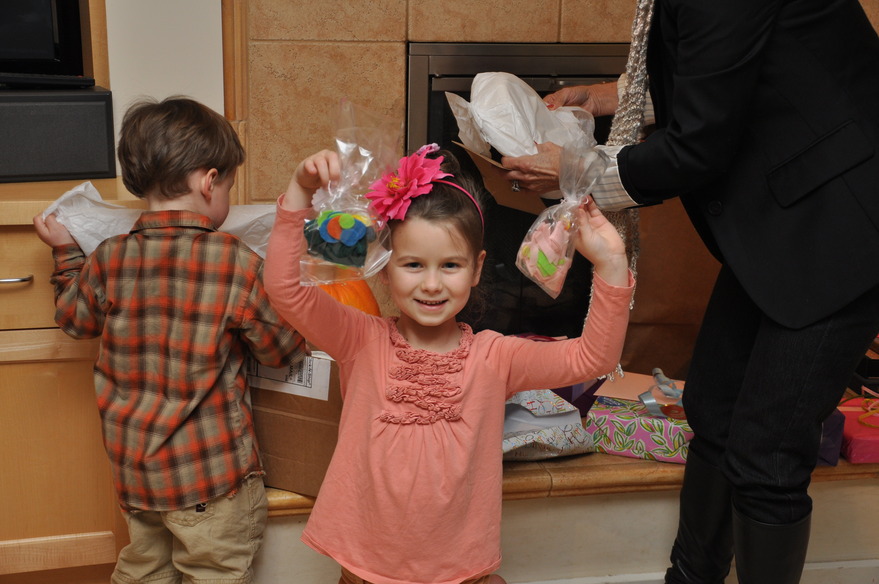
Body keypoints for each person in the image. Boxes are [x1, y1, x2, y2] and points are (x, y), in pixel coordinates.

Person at [501, 1, 879, 583]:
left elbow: (700, 143)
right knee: (714, 411)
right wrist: (608, 96)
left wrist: (578, 169)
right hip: (784, 222)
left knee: (769, 451)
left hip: (840, 224)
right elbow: (722, 67)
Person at [263, 144, 634, 584]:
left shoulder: (496, 356)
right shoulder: (360, 340)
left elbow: (594, 357)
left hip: (460, 571)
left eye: (450, 265)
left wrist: (612, 262)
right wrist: (300, 192)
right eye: (413, 264)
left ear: (476, 268)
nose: (432, 284)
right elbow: (285, 290)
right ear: (385, 268)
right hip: (364, 568)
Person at [33, 96, 308, 584]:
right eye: (228, 185)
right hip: (211, 478)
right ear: (209, 181)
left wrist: (66, 254)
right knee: (216, 572)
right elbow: (282, 351)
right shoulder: (236, 262)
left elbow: (74, 319)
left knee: (145, 569)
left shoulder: (109, 258)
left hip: (137, 476)